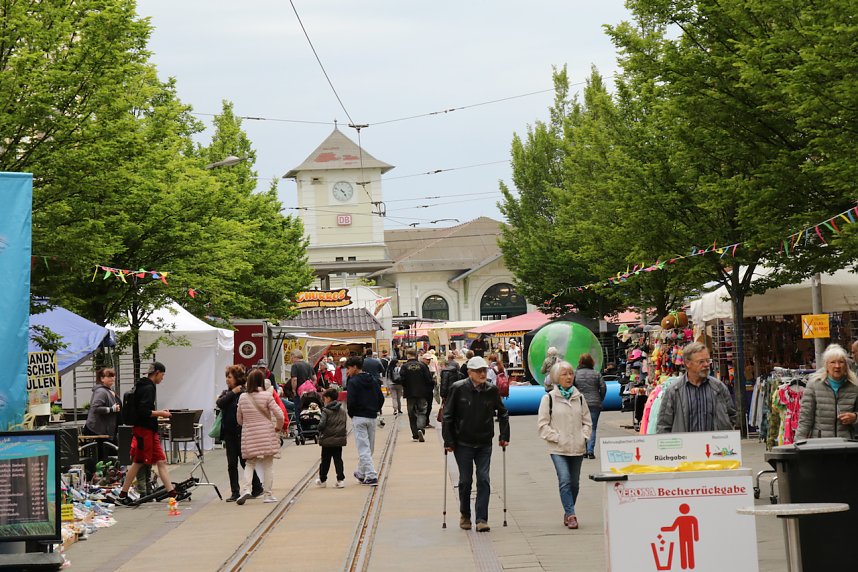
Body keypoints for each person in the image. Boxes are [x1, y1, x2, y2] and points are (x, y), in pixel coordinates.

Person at [443, 356, 510, 533]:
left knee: (483, 479)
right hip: (462, 442)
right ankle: (465, 514)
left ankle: (481, 519)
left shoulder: (491, 390)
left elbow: (503, 413)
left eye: (484, 370)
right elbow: (448, 416)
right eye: (478, 371)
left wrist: (504, 435)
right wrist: (448, 440)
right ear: (469, 372)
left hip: (484, 442)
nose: (482, 374)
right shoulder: (457, 389)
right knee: (465, 481)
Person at [537, 360, 592, 530]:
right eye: (564, 374)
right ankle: (572, 514)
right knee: (565, 480)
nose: (569, 377)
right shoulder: (549, 399)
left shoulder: (580, 398)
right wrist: (557, 437)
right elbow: (542, 425)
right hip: (558, 448)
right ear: (555, 377)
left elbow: (587, 422)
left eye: (570, 373)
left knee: (574, 483)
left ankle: (568, 511)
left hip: (577, 447)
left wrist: (583, 437)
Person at [117, 362, 176, 503]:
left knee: (161, 461)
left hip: (148, 430)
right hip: (145, 430)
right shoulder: (149, 388)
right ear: (156, 373)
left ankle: (172, 493)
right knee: (138, 462)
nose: (162, 378)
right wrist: (161, 413)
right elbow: (144, 411)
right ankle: (122, 495)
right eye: (162, 375)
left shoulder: (141, 385)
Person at [656, 342, 737, 433]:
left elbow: (732, 416)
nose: (706, 364)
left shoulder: (718, 388)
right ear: (688, 363)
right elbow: (663, 425)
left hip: (714, 445)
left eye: (708, 361)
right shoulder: (674, 391)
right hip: (685, 446)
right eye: (701, 361)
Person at [236, 368, 284, 504]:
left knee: (249, 463)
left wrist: (247, 423)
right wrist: (278, 427)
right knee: (268, 465)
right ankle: (268, 495)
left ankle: (246, 489)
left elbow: (239, 419)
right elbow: (279, 414)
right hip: (267, 433)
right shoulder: (267, 396)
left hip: (249, 434)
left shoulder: (243, 397)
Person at [216, 365, 262, 502]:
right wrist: (232, 392)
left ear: (237, 378)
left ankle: (257, 487)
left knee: (244, 462)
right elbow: (220, 403)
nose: (227, 380)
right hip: (229, 433)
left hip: (242, 432)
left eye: (229, 377)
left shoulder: (245, 393)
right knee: (231, 464)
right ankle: (234, 492)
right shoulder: (227, 393)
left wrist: (237, 392)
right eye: (226, 377)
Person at [795, 343, 858, 440]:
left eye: (841, 362)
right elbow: (805, 419)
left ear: (846, 365)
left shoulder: (854, 386)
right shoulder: (814, 385)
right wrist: (798, 443)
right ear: (826, 365)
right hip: (821, 445)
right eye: (833, 362)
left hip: (847, 445)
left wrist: (855, 417)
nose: (837, 366)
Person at [345, 356, 385, 485]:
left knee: (363, 447)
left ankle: (371, 475)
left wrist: (351, 414)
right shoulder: (372, 379)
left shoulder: (352, 382)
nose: (348, 371)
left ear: (355, 367)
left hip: (359, 416)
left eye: (349, 368)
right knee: (369, 447)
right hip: (372, 416)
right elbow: (381, 397)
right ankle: (361, 473)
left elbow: (350, 401)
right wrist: (376, 408)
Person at [82, 366, 121, 464]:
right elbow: (95, 408)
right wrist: (111, 409)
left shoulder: (107, 390)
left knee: (110, 454)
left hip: (105, 431)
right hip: (99, 431)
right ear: (102, 379)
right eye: (109, 376)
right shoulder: (101, 391)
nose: (112, 378)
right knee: (103, 456)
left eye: (113, 376)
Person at [573, 353, 606, 459]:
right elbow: (603, 387)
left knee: (581, 427)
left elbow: (571, 388)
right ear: (591, 362)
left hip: (580, 403)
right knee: (593, 427)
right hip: (594, 403)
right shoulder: (596, 374)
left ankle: (583, 450)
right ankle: (590, 451)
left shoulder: (576, 374)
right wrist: (600, 398)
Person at [399, 348, 435, 442]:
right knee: (422, 411)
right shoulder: (422, 366)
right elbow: (429, 380)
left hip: (410, 393)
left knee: (411, 414)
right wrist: (429, 389)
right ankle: (420, 428)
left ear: (407, 355)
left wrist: (406, 387)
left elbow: (401, 380)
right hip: (422, 393)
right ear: (416, 355)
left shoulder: (404, 366)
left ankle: (415, 434)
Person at [315, 388, 347, 488]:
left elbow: (321, 425)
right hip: (339, 439)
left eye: (324, 398)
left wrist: (319, 429)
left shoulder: (326, 411)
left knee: (325, 460)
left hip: (327, 439)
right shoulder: (342, 410)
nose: (323, 400)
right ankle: (340, 479)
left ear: (328, 398)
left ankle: (323, 479)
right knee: (338, 460)